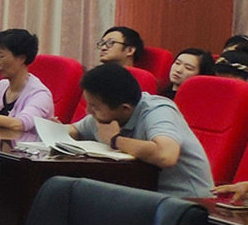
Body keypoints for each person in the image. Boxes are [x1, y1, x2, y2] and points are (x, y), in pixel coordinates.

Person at [65, 63, 213, 200]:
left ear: (125, 108)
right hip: (146, 195)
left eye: (94, 107)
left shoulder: (158, 111)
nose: (88, 111)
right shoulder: (107, 114)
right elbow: (74, 130)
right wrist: (57, 130)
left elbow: (166, 155)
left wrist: (115, 140)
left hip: (187, 201)